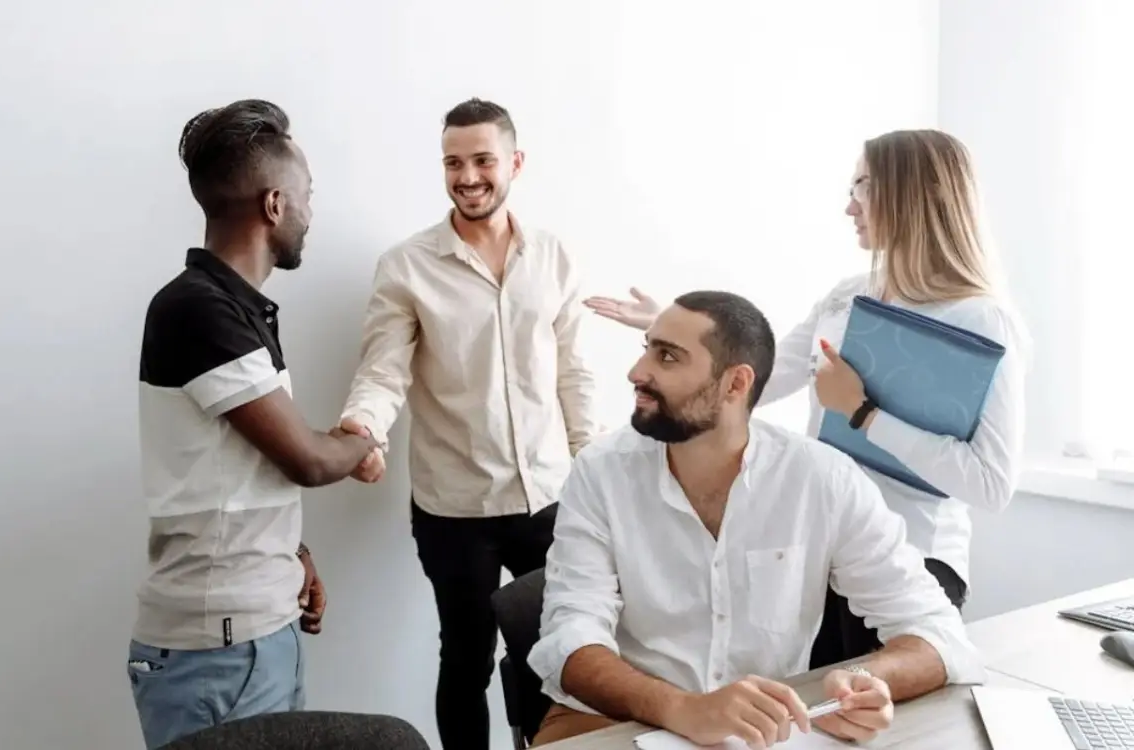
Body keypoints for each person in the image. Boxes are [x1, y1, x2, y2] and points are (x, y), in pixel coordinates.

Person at [582, 129, 1026, 668]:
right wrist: (679, 340)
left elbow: (990, 484)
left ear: (912, 193)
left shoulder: (980, 320)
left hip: (913, 558)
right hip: (822, 549)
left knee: (881, 706)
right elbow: (757, 379)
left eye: (863, 186)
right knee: (809, 702)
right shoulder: (848, 295)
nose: (849, 206)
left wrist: (863, 414)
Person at [526, 291, 986, 748]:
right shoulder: (601, 471)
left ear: (735, 384)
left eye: (666, 357)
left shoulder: (822, 479)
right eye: (647, 349)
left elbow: (937, 632)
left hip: (758, 733)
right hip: (607, 721)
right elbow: (569, 637)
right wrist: (682, 708)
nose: (637, 372)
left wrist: (868, 678)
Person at [338, 98, 600, 750]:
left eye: (483, 160)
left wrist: (594, 467)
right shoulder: (406, 266)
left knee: (562, 654)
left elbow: (574, 373)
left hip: (549, 499)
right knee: (465, 658)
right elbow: (383, 371)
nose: (468, 176)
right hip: (454, 509)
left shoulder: (554, 257)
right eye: (453, 163)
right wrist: (362, 429)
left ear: (515, 162)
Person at [131, 99, 378, 750]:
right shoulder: (198, 310)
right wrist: (362, 440)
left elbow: (230, 470)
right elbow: (308, 460)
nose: (311, 212)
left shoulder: (230, 309)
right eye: (307, 195)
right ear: (274, 204)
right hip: (219, 653)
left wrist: (291, 555)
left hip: (252, 636)